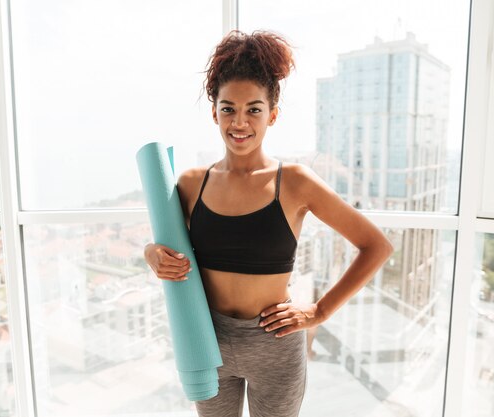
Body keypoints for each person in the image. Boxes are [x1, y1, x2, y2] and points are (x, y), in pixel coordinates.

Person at [143, 29, 394, 417]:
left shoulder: (294, 182)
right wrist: (151, 253)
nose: (239, 122)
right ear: (215, 113)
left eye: (253, 109)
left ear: (272, 115)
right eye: (228, 108)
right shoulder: (193, 183)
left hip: (276, 346)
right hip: (207, 340)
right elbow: (165, 243)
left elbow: (376, 245)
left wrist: (320, 312)